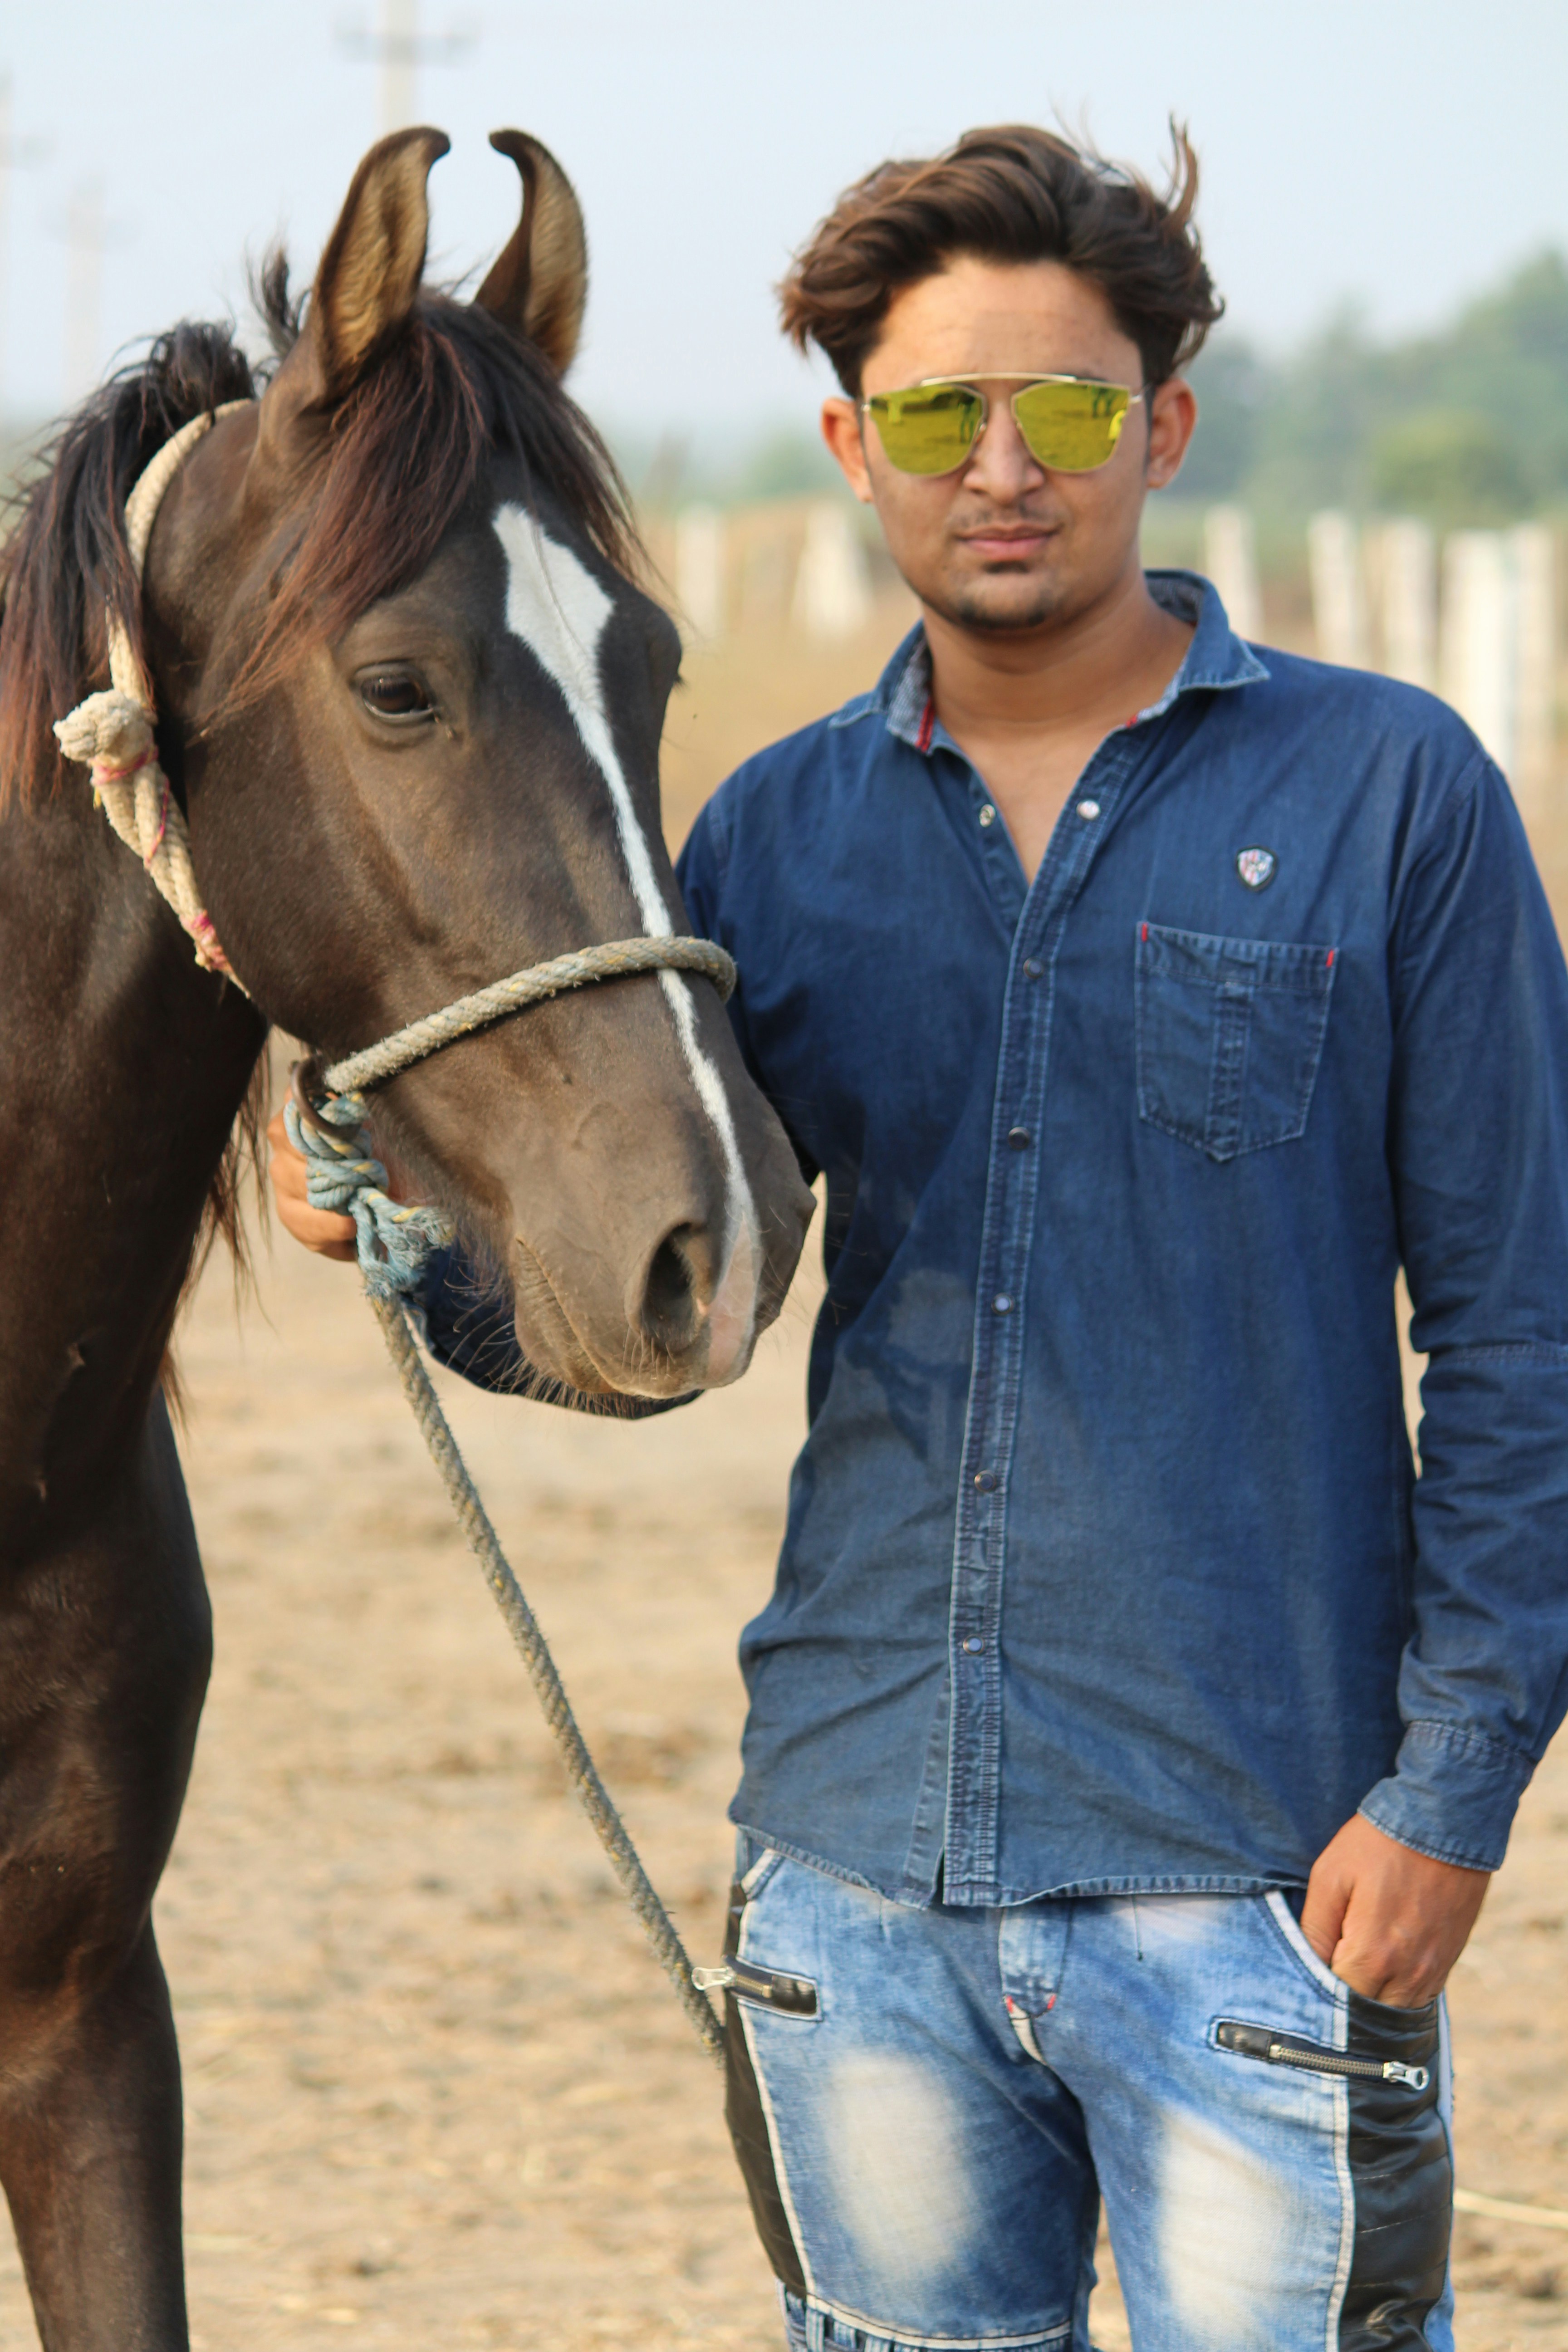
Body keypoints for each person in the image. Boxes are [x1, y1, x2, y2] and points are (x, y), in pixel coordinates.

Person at [271, 124, 1568, 2352]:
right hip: (857, 1879)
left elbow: (1530, 1335)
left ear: (1160, 427)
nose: (1004, 469)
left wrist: (1451, 1797)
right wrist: (394, 1239)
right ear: (851, 444)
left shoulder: (1397, 796)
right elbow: (667, 1308)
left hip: (1265, 1885)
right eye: (939, 416)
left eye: (1064, 411)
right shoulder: (773, 837)